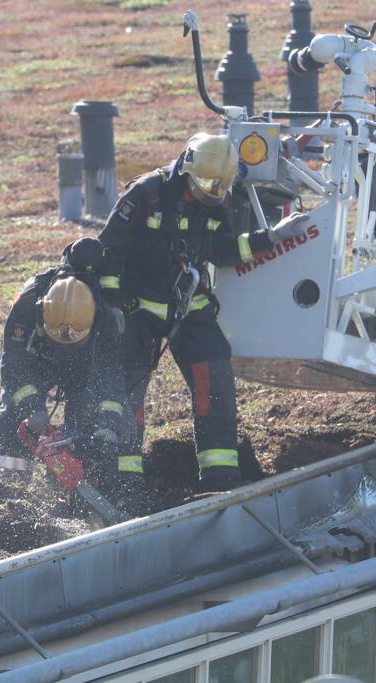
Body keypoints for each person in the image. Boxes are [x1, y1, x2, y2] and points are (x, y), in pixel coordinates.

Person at [98, 132, 311, 491]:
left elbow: (223, 250)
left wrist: (271, 237)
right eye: (203, 186)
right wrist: (113, 307)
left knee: (215, 383)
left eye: (216, 189)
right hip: (137, 309)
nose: (206, 194)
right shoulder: (146, 194)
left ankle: (220, 476)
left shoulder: (214, 202)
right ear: (186, 168)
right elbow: (108, 249)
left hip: (188, 307)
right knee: (126, 391)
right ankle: (123, 481)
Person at [0, 237, 142, 507]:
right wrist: (32, 407)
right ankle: (3, 492)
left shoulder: (104, 319)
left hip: (83, 370)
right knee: (9, 417)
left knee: (87, 422)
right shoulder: (26, 305)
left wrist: (107, 421)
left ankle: (77, 495)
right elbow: (13, 364)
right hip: (36, 363)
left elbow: (110, 375)